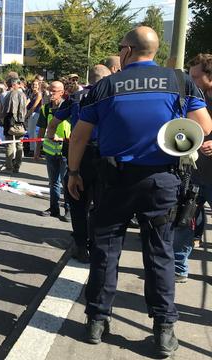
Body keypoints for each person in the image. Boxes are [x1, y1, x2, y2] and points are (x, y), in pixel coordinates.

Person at [67, 27, 212, 357]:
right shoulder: (179, 82)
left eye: (120, 48)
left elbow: (78, 137)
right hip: (162, 181)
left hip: (114, 180)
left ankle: (96, 321)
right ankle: (163, 330)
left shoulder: (105, 86)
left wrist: (74, 173)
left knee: (105, 250)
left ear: (128, 51)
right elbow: (204, 128)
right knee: (159, 253)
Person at [47, 65, 113, 263]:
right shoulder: (113, 94)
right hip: (105, 154)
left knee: (77, 200)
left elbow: (55, 121)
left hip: (80, 154)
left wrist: (51, 136)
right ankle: (96, 243)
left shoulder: (76, 96)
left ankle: (81, 245)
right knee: (102, 202)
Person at [172, 53, 212, 282]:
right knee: (184, 221)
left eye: (195, 76)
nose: (191, 80)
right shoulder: (194, 97)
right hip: (194, 174)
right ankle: (179, 268)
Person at [34, 81, 71, 222]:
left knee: (66, 182)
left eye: (54, 91)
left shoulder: (68, 108)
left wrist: (61, 139)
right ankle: (54, 208)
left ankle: (68, 209)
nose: (51, 93)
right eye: (50, 90)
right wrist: (37, 150)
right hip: (50, 151)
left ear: (62, 92)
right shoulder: (45, 108)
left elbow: (76, 130)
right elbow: (41, 131)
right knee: (53, 182)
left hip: (65, 151)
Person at [1, 77, 27, 173]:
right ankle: (17, 166)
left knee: (9, 144)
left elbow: (6, 110)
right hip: (21, 122)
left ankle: (9, 166)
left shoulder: (9, 95)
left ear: (12, 85)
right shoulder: (23, 95)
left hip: (10, 121)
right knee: (19, 144)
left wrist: (3, 119)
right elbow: (24, 110)